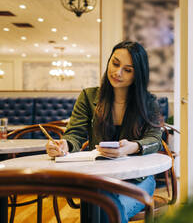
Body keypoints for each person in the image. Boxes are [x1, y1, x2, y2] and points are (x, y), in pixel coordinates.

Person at [45, 41, 162, 222]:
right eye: (115, 63)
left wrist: (131, 147)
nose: (117, 72)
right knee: (103, 206)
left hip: (138, 179)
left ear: (137, 75)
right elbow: (74, 134)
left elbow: (155, 139)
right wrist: (64, 145)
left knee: (108, 209)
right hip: (100, 178)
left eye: (128, 70)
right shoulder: (89, 97)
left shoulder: (148, 102)